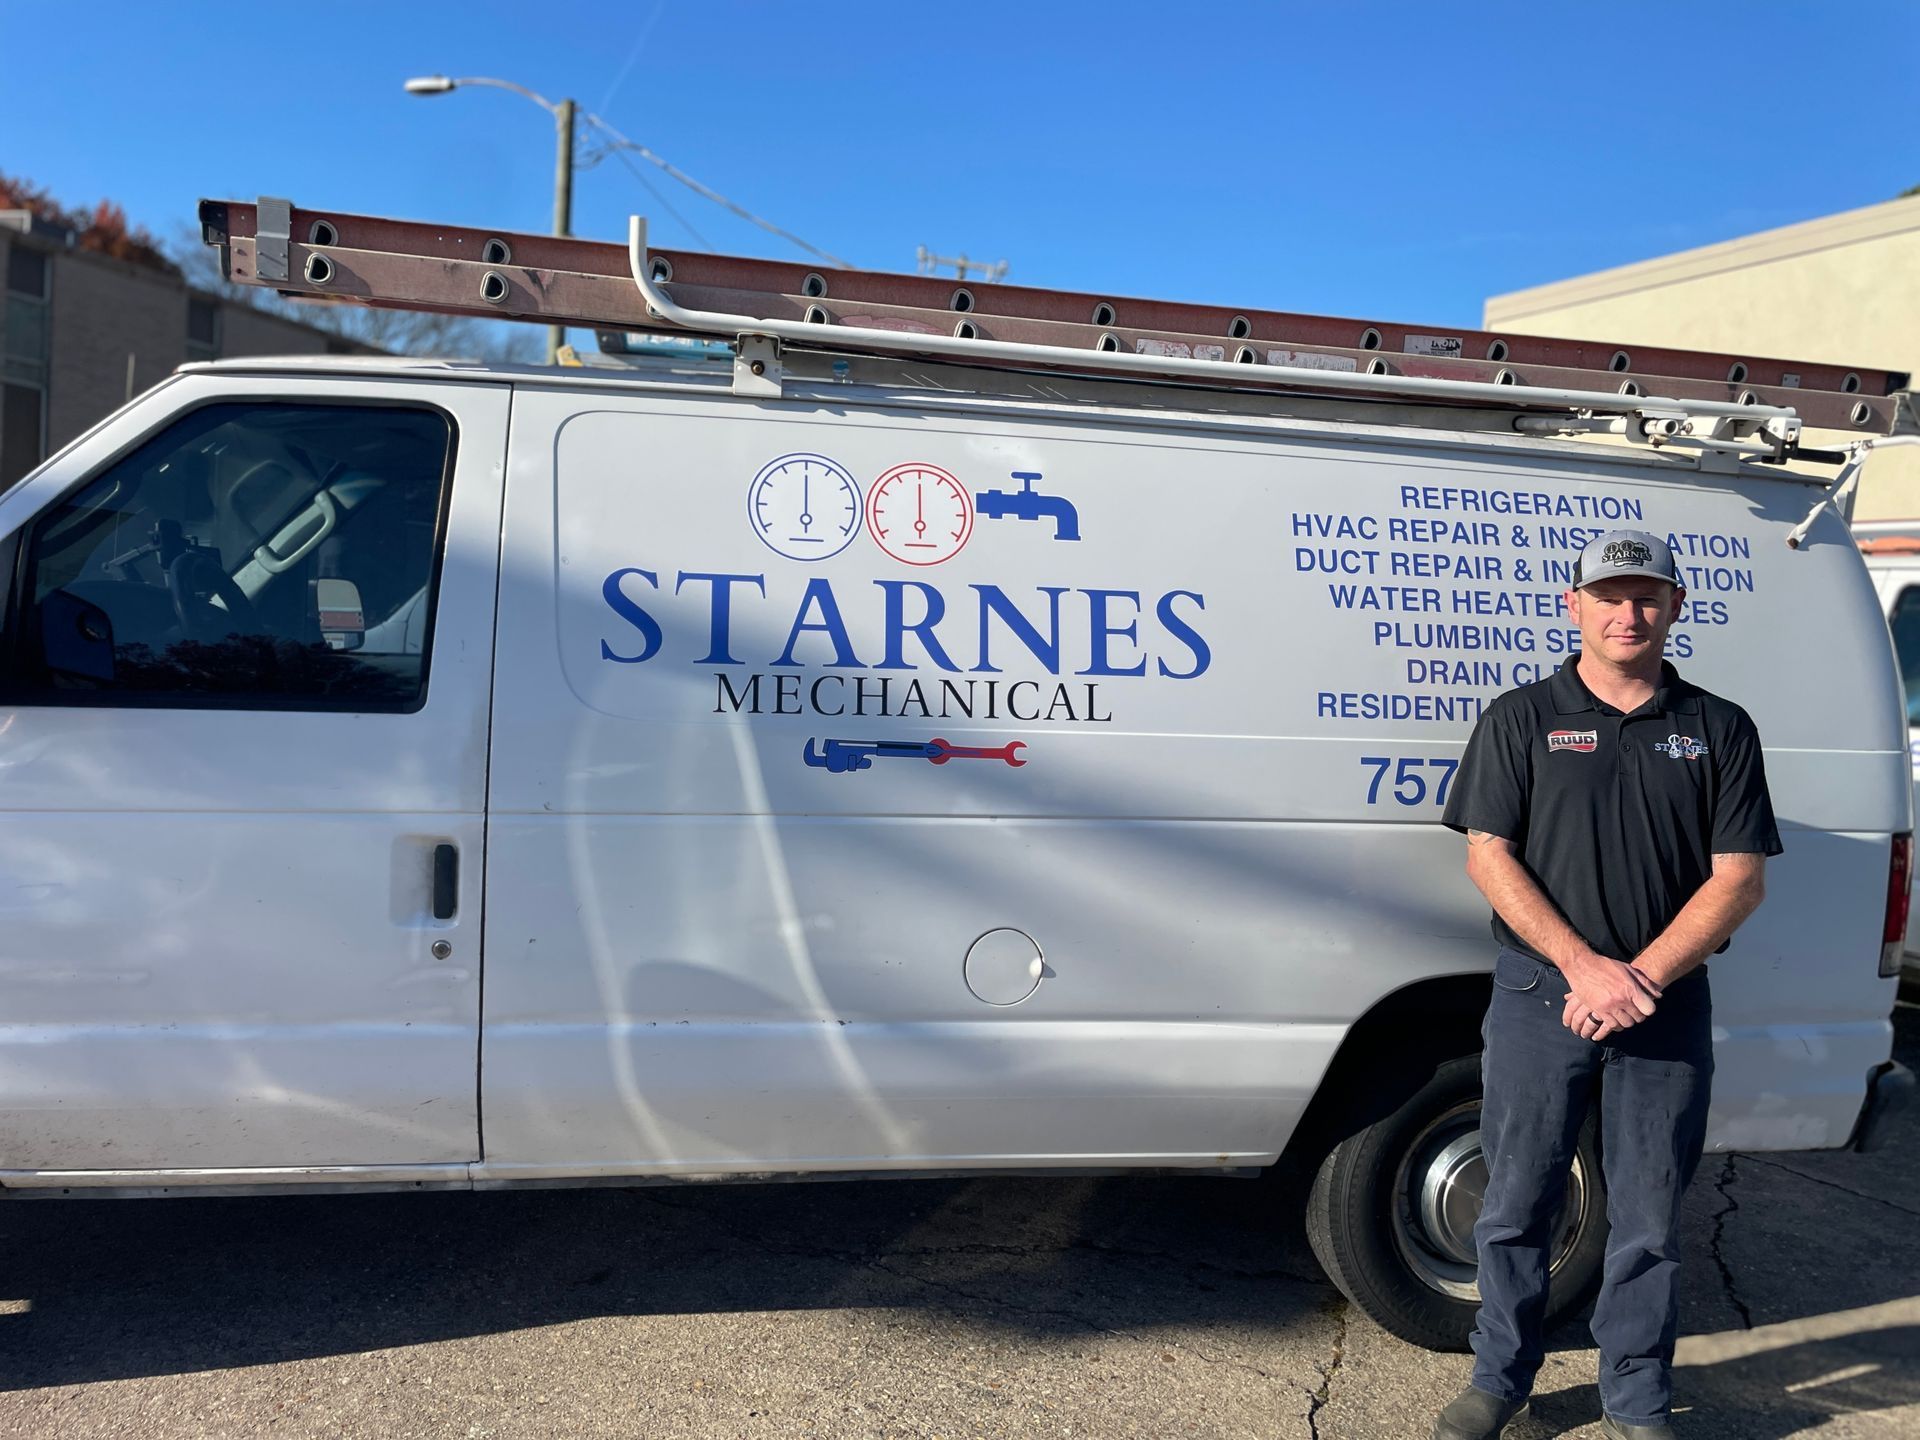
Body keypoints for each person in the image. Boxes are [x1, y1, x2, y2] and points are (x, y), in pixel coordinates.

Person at [1432, 528, 1782, 1440]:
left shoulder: (1719, 728)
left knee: (1650, 1215)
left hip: (1665, 1005)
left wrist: (1641, 978)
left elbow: (1739, 879)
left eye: (1647, 596)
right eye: (1609, 596)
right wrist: (1586, 970)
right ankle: (1499, 1379)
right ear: (1574, 606)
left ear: (1675, 607)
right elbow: (1488, 856)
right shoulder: (1521, 718)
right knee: (1516, 1201)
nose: (1629, 613)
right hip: (1539, 995)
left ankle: (1634, 1395)